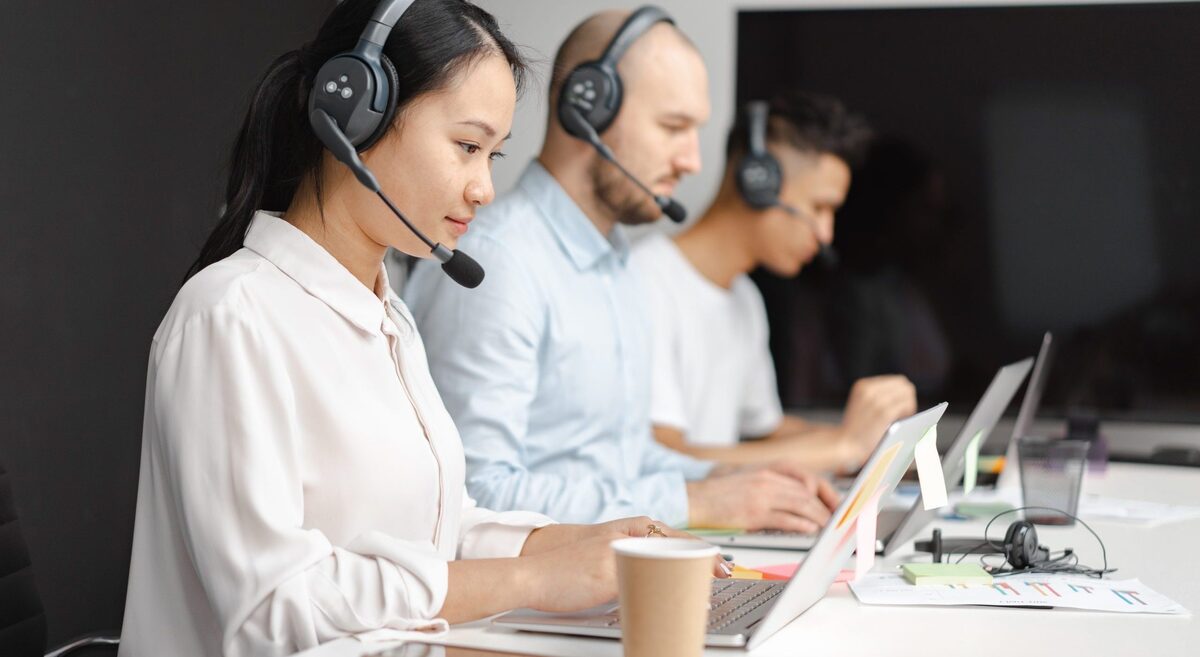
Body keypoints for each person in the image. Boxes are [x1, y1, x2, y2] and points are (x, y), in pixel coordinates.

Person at [119, 3, 718, 656]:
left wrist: (577, 542)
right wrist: (529, 577)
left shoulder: (388, 314)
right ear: (357, 117)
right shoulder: (230, 315)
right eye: (467, 146)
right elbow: (274, 606)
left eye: (493, 154)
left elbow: (438, 526)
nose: (485, 187)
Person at [405, 8, 839, 535]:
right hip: (520, 606)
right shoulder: (502, 264)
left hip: (606, 581)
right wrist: (695, 503)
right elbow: (476, 491)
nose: (693, 161)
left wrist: (733, 478)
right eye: (673, 127)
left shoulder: (616, 263)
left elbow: (622, 459)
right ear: (589, 105)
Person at [631, 93, 918, 473]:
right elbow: (665, 459)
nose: (826, 234)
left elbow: (766, 432)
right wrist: (840, 448)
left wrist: (873, 441)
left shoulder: (744, 298)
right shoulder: (645, 281)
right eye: (819, 207)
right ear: (758, 181)